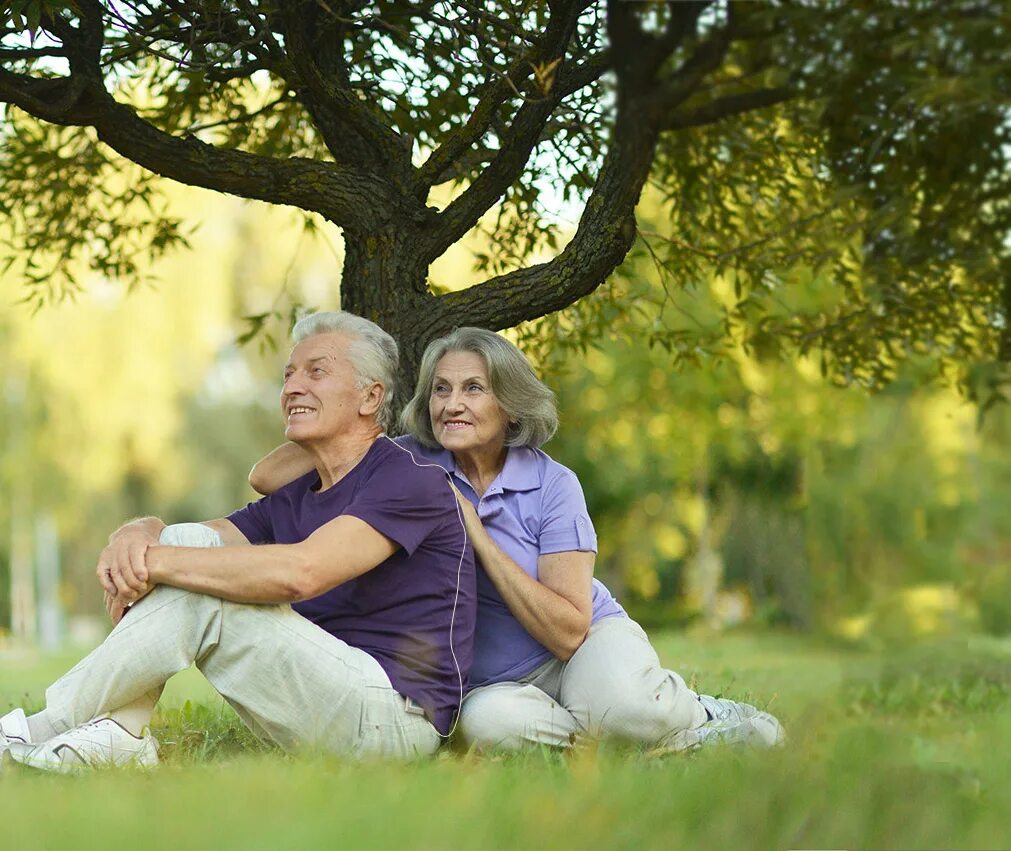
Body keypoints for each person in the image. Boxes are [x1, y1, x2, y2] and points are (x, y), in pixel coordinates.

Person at [249, 327, 783, 752]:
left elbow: (571, 632)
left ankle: (701, 714)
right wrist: (347, 430)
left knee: (622, 706)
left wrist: (477, 536)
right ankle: (627, 747)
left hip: (581, 648)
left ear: (509, 404)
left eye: (472, 388)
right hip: (494, 684)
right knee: (488, 729)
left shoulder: (554, 484)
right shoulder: (406, 462)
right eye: (441, 389)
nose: (451, 404)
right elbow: (267, 479)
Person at [0, 312, 476, 772]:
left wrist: (155, 563)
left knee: (194, 578)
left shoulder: (412, 481)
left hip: (393, 718)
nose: (292, 387)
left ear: (370, 397)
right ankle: (118, 735)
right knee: (189, 546)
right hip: (322, 697)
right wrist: (136, 533)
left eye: (317, 372)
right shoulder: (296, 496)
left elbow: (301, 573)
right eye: (288, 375)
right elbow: (193, 540)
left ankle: (43, 727)